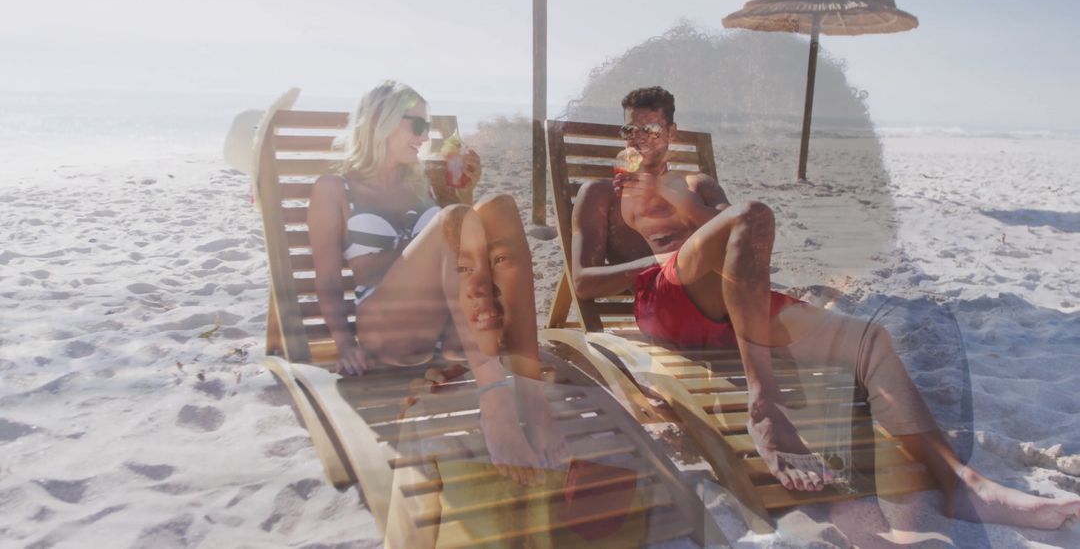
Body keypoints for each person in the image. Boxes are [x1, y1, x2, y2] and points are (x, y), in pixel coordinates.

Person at [569, 85, 1080, 529]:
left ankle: (963, 484)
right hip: (666, 304)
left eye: (651, 130)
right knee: (751, 212)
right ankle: (765, 403)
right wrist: (664, 257)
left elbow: (746, 241)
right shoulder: (599, 194)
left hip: (734, 308)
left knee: (870, 341)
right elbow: (584, 283)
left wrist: (681, 201)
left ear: (672, 133)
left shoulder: (697, 187)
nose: (639, 141)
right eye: (631, 132)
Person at [308, 80, 563, 486]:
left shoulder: (422, 183)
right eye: (416, 125)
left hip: (442, 327)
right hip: (387, 326)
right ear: (379, 122)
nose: (425, 137)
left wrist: (466, 192)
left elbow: (460, 252)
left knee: (500, 207)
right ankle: (495, 401)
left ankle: (531, 399)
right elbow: (325, 278)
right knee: (452, 217)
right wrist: (343, 343)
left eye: (427, 127)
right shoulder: (334, 188)